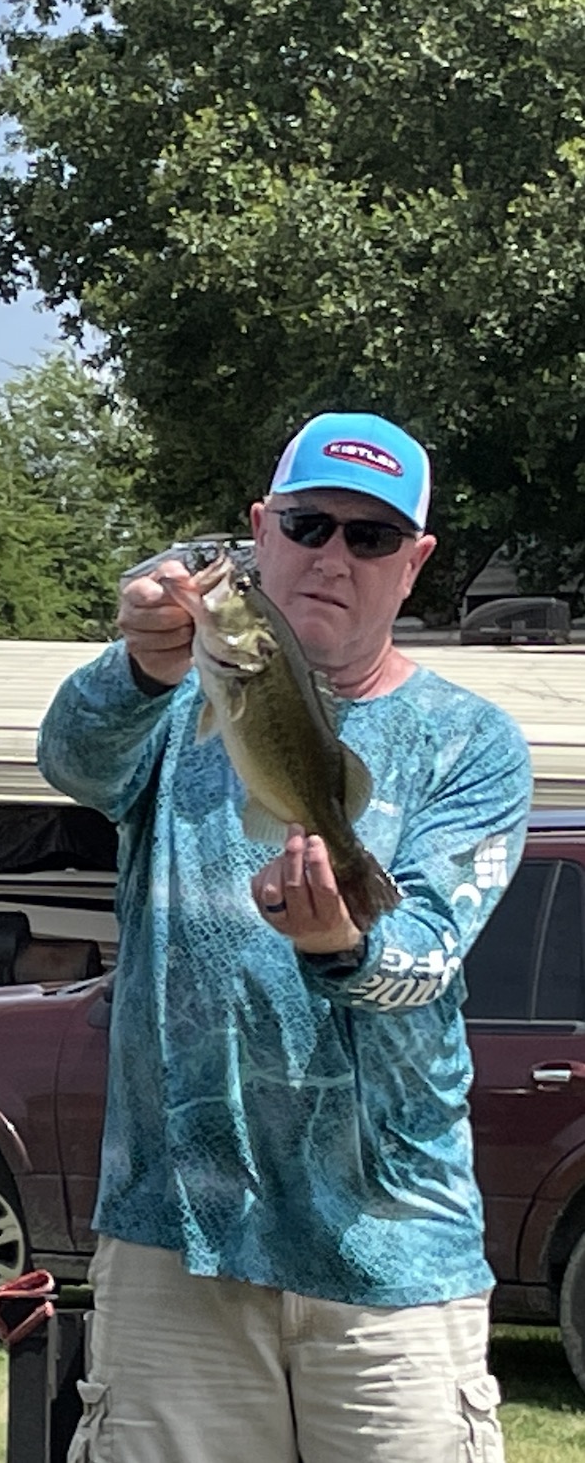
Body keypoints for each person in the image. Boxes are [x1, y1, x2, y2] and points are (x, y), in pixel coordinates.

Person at [38, 412, 530, 1463]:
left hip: (393, 1251)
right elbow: (72, 757)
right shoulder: (172, 701)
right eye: (310, 525)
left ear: (415, 564)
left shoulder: (474, 742)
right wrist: (136, 662)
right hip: (175, 1236)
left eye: (371, 536)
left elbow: (428, 952)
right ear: (262, 530)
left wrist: (342, 943)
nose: (333, 556)